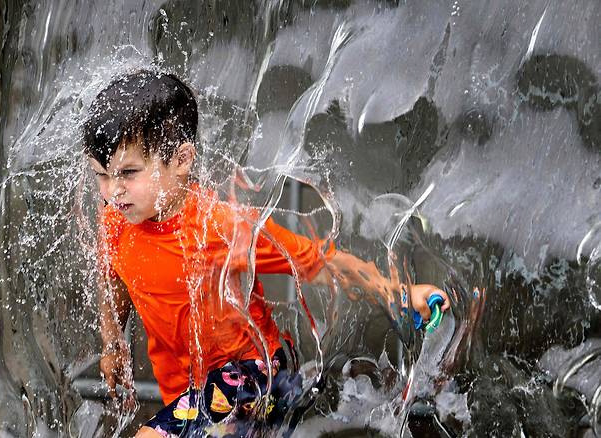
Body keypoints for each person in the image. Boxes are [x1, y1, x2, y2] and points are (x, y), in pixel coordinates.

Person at [83, 69, 450, 437]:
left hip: (256, 376)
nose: (112, 190)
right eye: (101, 175)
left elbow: (314, 261)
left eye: (128, 172)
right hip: (189, 390)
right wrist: (113, 344)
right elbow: (113, 277)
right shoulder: (116, 221)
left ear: (181, 160)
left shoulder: (218, 227)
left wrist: (398, 293)